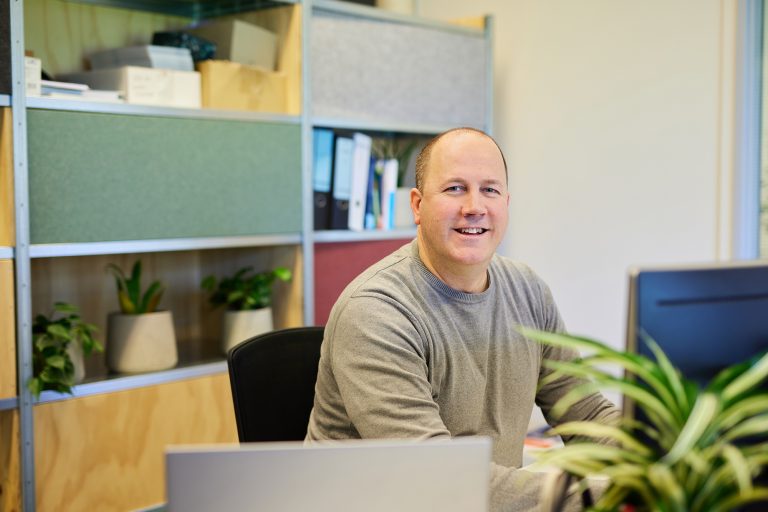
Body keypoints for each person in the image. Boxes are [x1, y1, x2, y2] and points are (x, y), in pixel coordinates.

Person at [305, 127, 620, 511]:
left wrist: (669, 467)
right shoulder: (376, 312)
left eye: (490, 190)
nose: (475, 206)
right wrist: (615, 494)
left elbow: (586, 414)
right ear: (417, 205)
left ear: (506, 202)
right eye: (455, 188)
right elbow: (441, 480)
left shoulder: (527, 290)